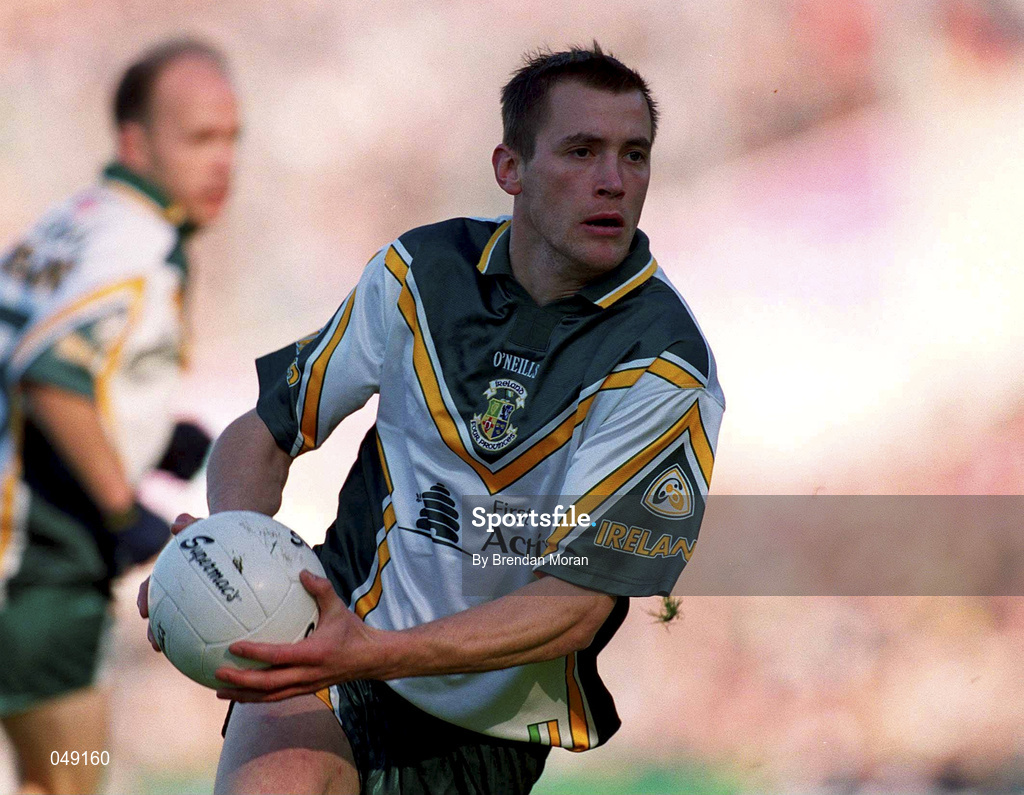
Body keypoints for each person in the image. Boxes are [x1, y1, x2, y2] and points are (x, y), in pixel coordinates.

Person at [141, 43, 725, 795]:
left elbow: (576, 605)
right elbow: (265, 431)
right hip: (335, 644)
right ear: (509, 168)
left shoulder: (663, 363)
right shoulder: (419, 275)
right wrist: (230, 564)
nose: (614, 180)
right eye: (581, 151)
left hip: (489, 721)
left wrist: (373, 652)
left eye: (634, 154)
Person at [0, 39, 240, 795]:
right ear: (135, 141)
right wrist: (120, 503)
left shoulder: (77, 219)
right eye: (199, 138)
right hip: (35, 564)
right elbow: (51, 375)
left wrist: (151, 439)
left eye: (232, 138)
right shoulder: (137, 242)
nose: (222, 161)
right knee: (70, 779)